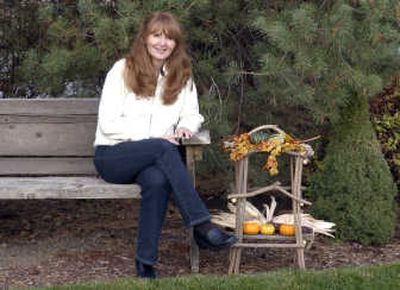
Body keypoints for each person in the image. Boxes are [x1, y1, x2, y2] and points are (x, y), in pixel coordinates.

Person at [93, 11, 236, 279]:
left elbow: (193, 113)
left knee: (158, 180)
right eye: (156, 35)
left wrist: (186, 127)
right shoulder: (122, 69)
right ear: (145, 39)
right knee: (162, 148)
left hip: (156, 159)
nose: (162, 43)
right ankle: (202, 226)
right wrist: (154, 140)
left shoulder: (181, 74)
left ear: (176, 43)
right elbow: (108, 123)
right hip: (113, 156)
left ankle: (145, 264)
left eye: (169, 38)